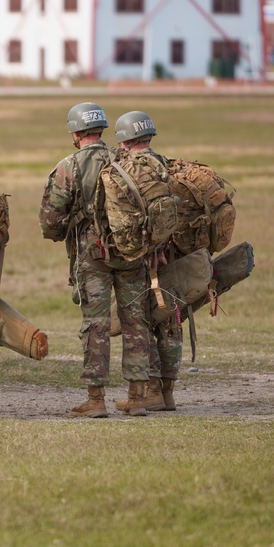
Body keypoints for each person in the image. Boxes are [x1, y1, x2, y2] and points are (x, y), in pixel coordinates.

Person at [38, 102, 151, 418]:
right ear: (102, 129)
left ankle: (96, 399)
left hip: (93, 256)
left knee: (96, 326)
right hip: (132, 254)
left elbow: (49, 221)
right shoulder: (128, 159)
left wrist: (66, 229)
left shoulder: (69, 166)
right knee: (136, 323)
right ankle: (138, 398)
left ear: (75, 133)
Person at [114, 110, 181, 411]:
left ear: (125, 140)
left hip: (140, 258)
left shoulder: (125, 170)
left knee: (139, 323)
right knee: (169, 322)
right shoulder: (166, 164)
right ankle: (167, 393)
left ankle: (149, 391)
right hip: (171, 254)